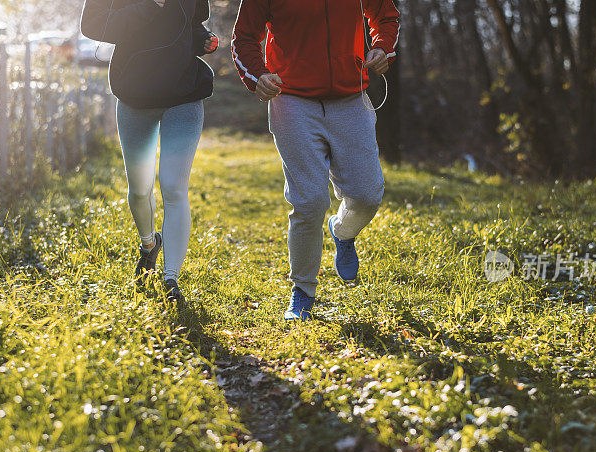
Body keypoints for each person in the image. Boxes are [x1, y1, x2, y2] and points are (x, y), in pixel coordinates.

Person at [231, 0, 400, 321]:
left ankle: (343, 232)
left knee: (367, 195)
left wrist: (381, 49)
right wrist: (257, 76)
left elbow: (385, 16)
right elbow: (243, 38)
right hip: (292, 100)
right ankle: (303, 290)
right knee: (309, 200)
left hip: (351, 98)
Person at [80, 0, 219, 305]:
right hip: (135, 98)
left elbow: (189, 25)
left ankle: (171, 279)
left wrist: (202, 40)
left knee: (173, 186)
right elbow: (92, 25)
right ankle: (148, 245)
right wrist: (149, 5)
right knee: (140, 191)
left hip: (184, 95)